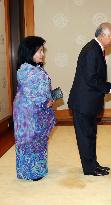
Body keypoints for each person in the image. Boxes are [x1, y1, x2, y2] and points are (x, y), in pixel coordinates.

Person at [68, 22, 111, 176]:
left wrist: (110, 87)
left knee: (90, 135)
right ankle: (90, 169)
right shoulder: (92, 50)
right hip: (83, 103)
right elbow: (91, 79)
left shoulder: (96, 48)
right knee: (85, 137)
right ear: (103, 35)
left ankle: (93, 164)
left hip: (88, 102)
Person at [13, 36, 56, 181]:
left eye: (42, 50)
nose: (42, 54)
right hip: (28, 113)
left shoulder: (34, 68)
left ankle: (38, 170)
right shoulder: (27, 70)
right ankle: (31, 172)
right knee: (31, 140)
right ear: (29, 52)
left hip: (34, 110)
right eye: (39, 51)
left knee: (38, 141)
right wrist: (46, 102)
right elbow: (34, 94)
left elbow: (41, 91)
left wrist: (48, 99)